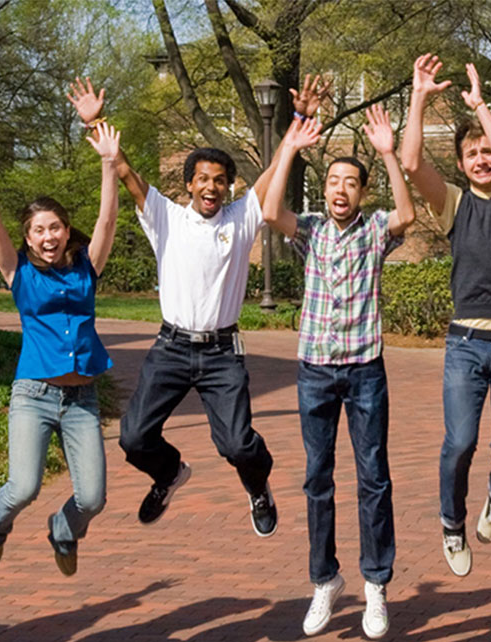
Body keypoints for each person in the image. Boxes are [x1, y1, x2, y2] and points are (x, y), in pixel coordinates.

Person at [65, 76, 326, 534]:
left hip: (222, 353)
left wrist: (299, 121)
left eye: (220, 181)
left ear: (227, 188)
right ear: (189, 184)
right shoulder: (165, 216)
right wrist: (95, 122)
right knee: (133, 437)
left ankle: (258, 487)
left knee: (238, 445)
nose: (212, 187)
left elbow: (271, 175)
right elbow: (124, 171)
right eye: (203, 179)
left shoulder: (242, 218)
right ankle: (168, 474)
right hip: (171, 348)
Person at [261, 108, 415, 639]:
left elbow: (408, 214)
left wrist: (390, 153)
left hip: (365, 368)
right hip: (315, 370)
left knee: (374, 477)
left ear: (362, 192)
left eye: (351, 181)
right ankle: (325, 580)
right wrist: (290, 149)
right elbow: (269, 208)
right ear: (324, 191)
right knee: (316, 478)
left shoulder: (374, 230)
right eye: (332, 181)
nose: (340, 188)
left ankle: (375, 583)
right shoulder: (308, 232)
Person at [400, 54, 491, 577]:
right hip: (465, 344)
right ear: (460, 164)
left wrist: (480, 108)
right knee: (459, 443)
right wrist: (418, 99)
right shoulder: (455, 203)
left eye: (486, 150)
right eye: (471, 153)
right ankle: (451, 522)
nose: (482, 158)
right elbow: (413, 164)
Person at [0, 121, 121, 576]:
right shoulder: (20, 275)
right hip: (33, 396)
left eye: (56, 228)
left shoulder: (87, 268)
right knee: (24, 486)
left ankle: (64, 529)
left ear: (67, 231)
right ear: (28, 238)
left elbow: (107, 219)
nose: (48, 237)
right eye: (39, 230)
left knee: (92, 497)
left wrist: (109, 163)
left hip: (82, 399)